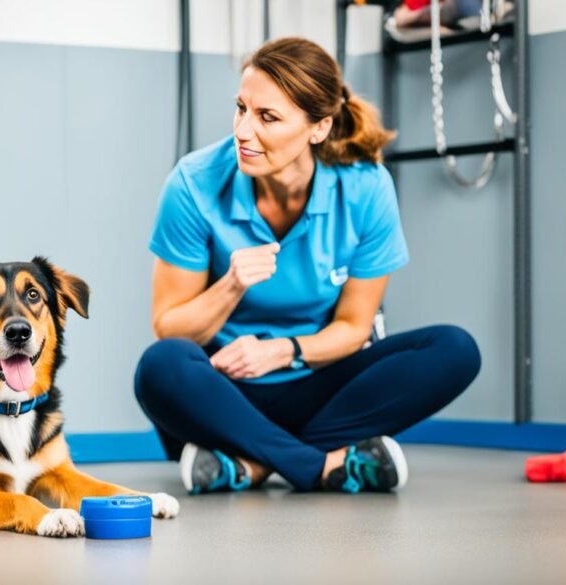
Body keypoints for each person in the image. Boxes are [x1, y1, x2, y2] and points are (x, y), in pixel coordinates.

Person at [133, 37, 480, 495]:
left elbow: (355, 327)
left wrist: (283, 351)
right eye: (241, 108)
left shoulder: (366, 187)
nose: (242, 130)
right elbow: (171, 328)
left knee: (455, 349)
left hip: (320, 386)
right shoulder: (193, 184)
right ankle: (320, 466)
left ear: (318, 128)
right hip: (223, 393)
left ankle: (250, 464)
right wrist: (231, 285)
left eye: (267, 117)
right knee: (161, 366)